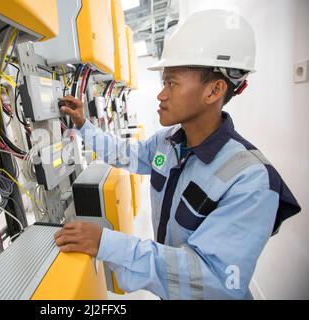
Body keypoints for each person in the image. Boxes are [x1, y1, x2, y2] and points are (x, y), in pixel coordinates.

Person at [54, 10, 301, 299]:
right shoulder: (168, 143)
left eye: (171, 83)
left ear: (214, 90)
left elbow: (213, 281)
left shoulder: (251, 180)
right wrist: (84, 125)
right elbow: (125, 155)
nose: (160, 95)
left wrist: (108, 243)